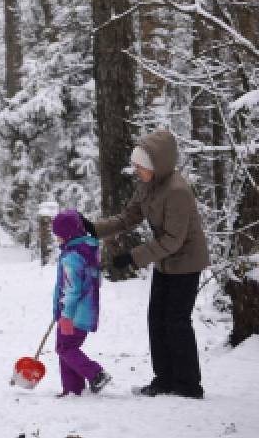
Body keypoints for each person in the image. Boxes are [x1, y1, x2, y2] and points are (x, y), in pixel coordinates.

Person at [82, 129, 209, 398]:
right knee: (156, 319)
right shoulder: (148, 186)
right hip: (165, 261)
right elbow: (128, 217)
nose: (136, 170)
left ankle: (188, 385)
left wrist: (133, 257)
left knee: (176, 321)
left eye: (140, 166)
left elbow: (174, 240)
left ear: (156, 165)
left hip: (186, 262)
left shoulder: (177, 192)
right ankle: (164, 380)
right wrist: (94, 228)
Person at [51, 209, 112, 397]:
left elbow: (71, 290)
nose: (57, 239)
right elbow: (96, 282)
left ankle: (96, 374)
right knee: (66, 348)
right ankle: (73, 389)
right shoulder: (88, 251)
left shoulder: (72, 257)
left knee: (65, 348)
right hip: (86, 312)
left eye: (59, 235)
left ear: (68, 234)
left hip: (73, 315)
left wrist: (66, 314)